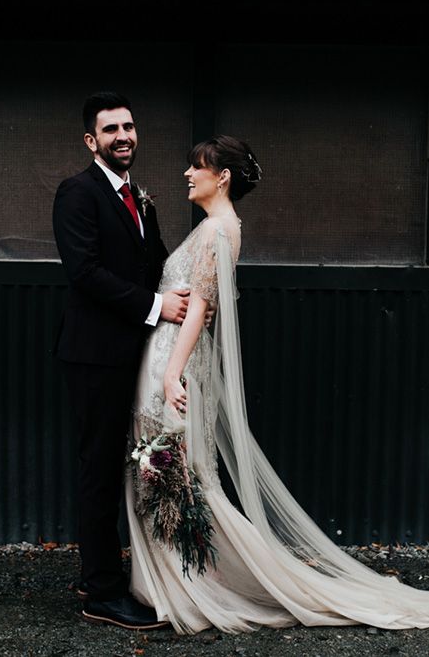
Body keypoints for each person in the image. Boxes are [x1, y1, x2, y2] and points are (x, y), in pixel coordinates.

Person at [125, 134, 429, 633]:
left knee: (172, 470)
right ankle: (169, 580)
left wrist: (173, 372)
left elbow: (202, 308)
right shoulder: (217, 228)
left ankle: (191, 586)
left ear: (221, 176)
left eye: (196, 166)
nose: (186, 173)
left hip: (171, 360)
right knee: (164, 469)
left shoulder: (219, 230)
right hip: (165, 354)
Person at [53, 92, 203, 630]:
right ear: (92, 141)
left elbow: (155, 262)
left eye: (130, 127)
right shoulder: (76, 193)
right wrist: (160, 308)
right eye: (111, 129)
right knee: (98, 470)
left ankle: (106, 572)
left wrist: (195, 288)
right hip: (94, 356)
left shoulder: (141, 198)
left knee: (128, 466)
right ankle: (100, 592)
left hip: (135, 354)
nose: (124, 136)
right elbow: (85, 273)